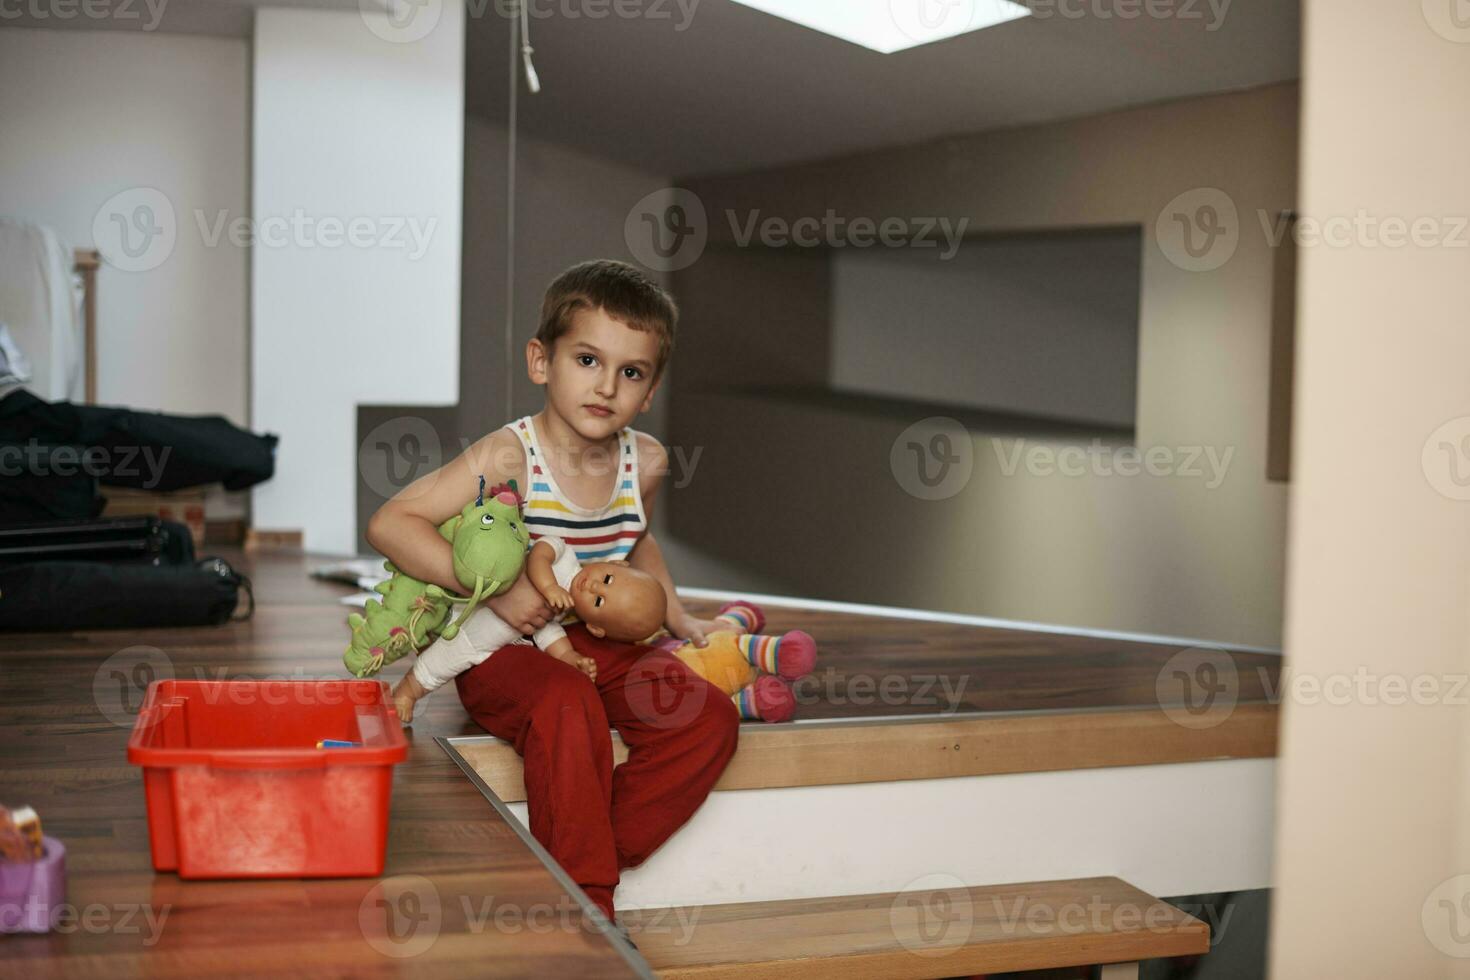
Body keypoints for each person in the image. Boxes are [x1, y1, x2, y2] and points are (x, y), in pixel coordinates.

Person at [366, 259, 739, 923]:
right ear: (542, 361)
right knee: (568, 704)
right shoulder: (508, 457)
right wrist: (496, 589)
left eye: (631, 372)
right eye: (588, 359)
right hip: (504, 651)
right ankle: (588, 912)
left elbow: (634, 541)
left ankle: (580, 853)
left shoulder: (645, 461)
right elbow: (391, 522)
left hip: (599, 641)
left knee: (708, 718)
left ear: (649, 390)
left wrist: (678, 616)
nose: (607, 386)